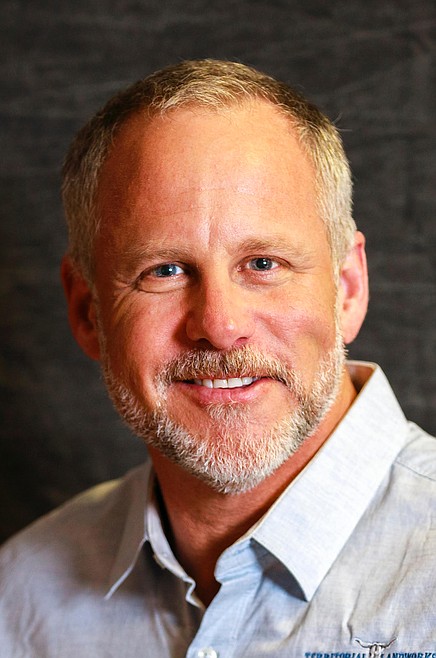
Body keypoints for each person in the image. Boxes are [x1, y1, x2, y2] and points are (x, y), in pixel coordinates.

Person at [0, 59, 435, 657]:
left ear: (348, 289)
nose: (220, 327)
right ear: (87, 313)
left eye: (263, 264)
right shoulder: (18, 601)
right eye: (165, 270)